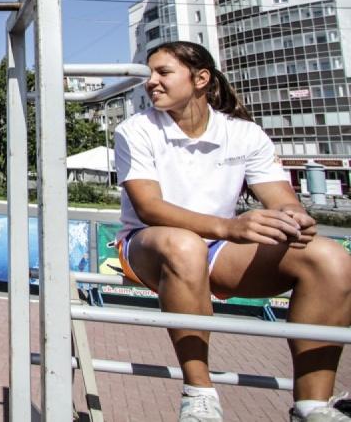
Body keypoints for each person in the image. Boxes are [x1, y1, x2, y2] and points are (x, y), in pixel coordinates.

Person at [114, 41, 351, 422]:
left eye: (163, 72)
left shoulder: (244, 134)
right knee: (183, 244)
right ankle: (199, 393)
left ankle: (311, 405)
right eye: (149, 73)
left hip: (218, 248)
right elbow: (150, 207)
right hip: (149, 243)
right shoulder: (136, 129)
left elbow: (282, 199)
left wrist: (294, 218)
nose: (151, 82)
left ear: (201, 79)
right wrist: (229, 226)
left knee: (329, 256)